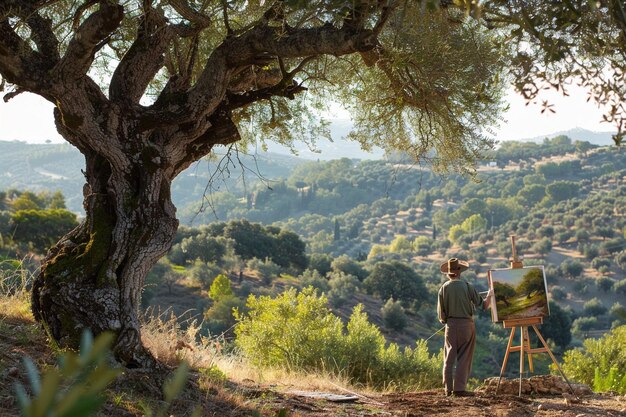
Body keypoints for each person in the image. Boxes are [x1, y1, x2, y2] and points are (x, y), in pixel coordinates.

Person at [437, 258, 493, 397]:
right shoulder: (468, 286)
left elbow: (441, 315)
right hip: (467, 326)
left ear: (448, 273)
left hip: (450, 326)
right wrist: (490, 295)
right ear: (460, 272)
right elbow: (484, 306)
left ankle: (448, 390)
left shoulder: (443, 288)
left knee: (449, 357)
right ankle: (459, 390)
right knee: (464, 357)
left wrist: (448, 322)